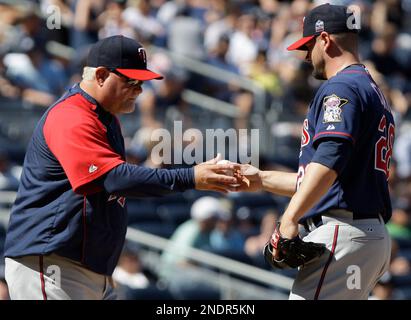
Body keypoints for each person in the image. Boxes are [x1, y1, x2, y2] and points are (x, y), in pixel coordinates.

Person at [3, 35, 241, 300]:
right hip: (52, 264)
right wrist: (190, 176)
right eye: (132, 81)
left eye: (142, 83)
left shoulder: (106, 119)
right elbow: (114, 178)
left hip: (85, 268)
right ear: (102, 75)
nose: (139, 90)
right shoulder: (71, 115)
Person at [239, 4, 394, 300]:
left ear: (325, 40)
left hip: (342, 232)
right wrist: (260, 179)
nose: (306, 56)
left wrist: (289, 218)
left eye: (308, 46)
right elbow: (329, 179)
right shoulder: (370, 89)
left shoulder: (342, 87)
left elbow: (328, 162)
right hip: (363, 234)